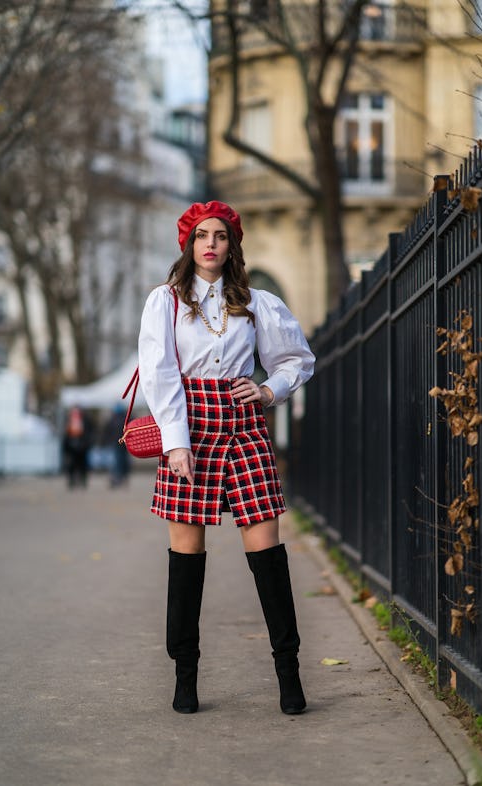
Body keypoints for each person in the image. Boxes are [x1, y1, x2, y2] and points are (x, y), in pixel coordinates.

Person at [138, 200, 315, 715]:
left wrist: (268, 391)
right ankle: (185, 678)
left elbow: (296, 359)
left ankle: (289, 676)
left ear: (232, 244)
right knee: (186, 560)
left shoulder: (258, 302)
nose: (211, 244)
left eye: (220, 235)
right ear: (189, 245)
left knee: (268, 556)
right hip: (188, 426)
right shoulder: (166, 301)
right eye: (201, 236)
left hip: (242, 426)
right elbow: (159, 373)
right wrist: (175, 442)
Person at [62, 406, 92, 489]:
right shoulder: (69, 422)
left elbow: (88, 433)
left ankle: (82, 481)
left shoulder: (85, 421)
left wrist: (85, 444)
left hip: (82, 447)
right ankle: (72, 481)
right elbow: (66, 436)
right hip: (72, 447)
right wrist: (66, 447)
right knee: (72, 465)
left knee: (82, 465)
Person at [102, 403, 131, 488]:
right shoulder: (126, 419)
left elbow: (106, 432)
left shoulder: (113, 419)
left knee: (118, 462)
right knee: (121, 462)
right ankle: (120, 478)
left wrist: (105, 441)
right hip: (123, 444)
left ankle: (118, 478)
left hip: (117, 444)